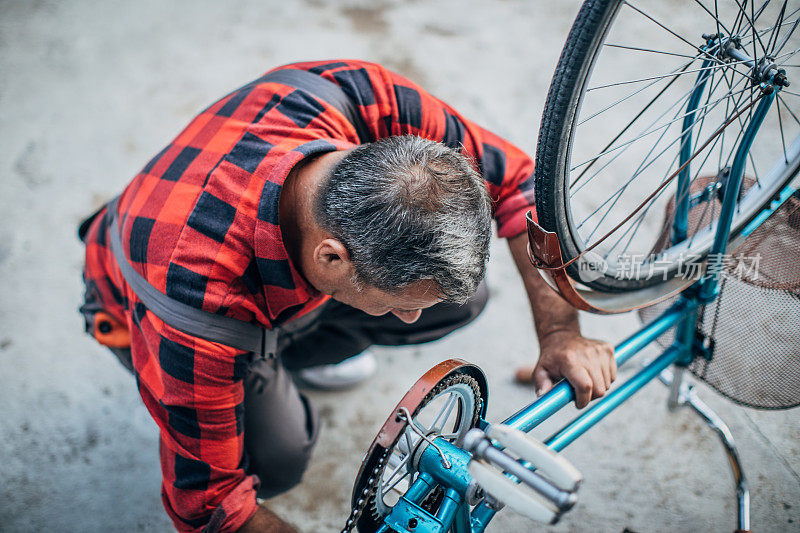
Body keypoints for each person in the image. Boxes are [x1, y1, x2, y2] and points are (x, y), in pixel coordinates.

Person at [79, 59, 615, 532]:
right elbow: (211, 507)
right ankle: (261, 374)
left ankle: (285, 361)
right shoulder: (196, 307)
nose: (410, 319)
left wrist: (561, 332)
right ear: (331, 258)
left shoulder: (360, 98)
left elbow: (521, 186)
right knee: (276, 456)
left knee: (462, 299)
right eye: (399, 300)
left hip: (261, 272)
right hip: (151, 302)